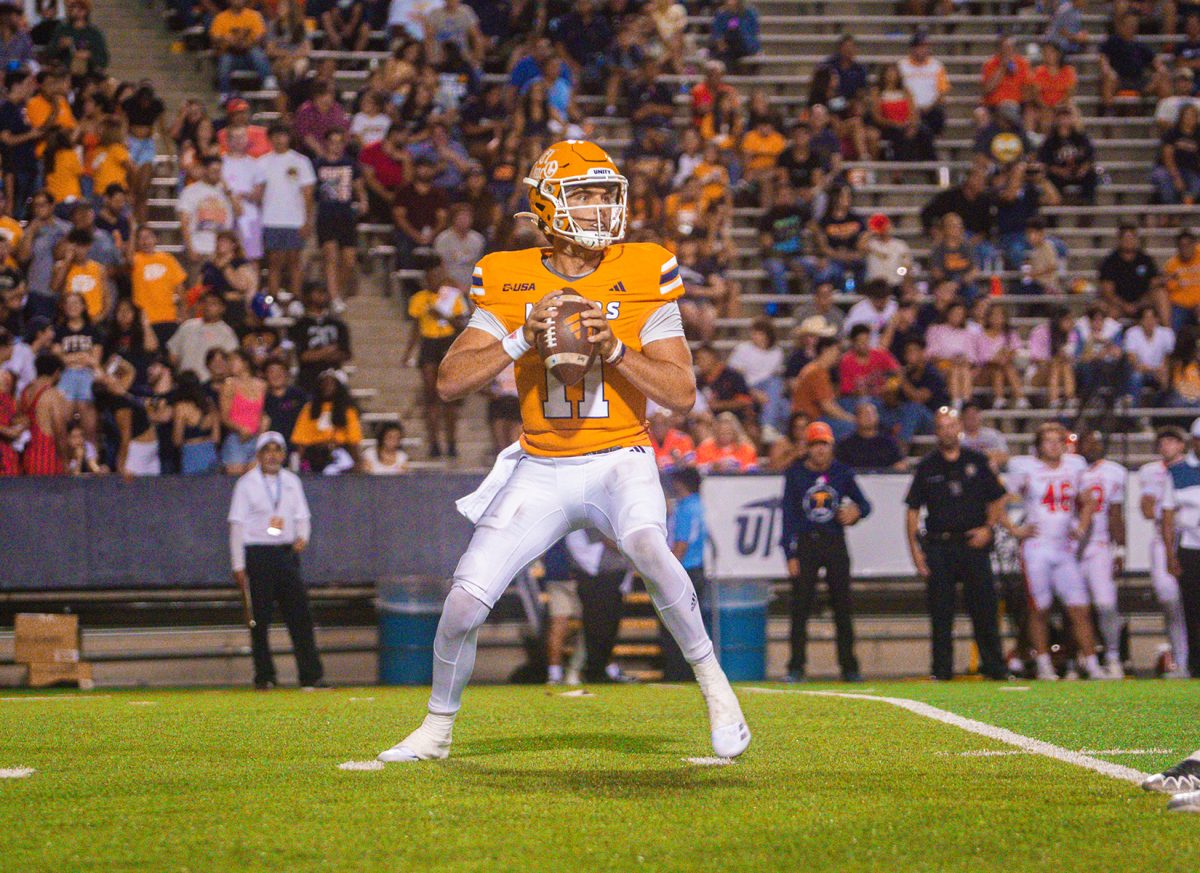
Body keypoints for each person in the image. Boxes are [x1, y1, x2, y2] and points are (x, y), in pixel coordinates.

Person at [376, 139, 749, 764]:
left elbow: (682, 393)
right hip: (540, 465)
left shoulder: (643, 267)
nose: (603, 207)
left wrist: (618, 351)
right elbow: (450, 379)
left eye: (608, 193)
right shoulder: (507, 275)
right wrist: (522, 336)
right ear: (547, 206)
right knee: (465, 602)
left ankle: (716, 689)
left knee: (648, 544)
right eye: (587, 195)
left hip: (619, 457)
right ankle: (437, 729)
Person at [905, 408, 1008, 681]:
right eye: (942, 426)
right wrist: (915, 552)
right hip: (940, 546)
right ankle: (941, 670)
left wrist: (988, 528)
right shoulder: (927, 467)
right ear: (936, 432)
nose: (947, 431)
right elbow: (912, 510)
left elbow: (998, 497)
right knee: (940, 611)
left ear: (959, 428)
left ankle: (995, 668)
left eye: (951, 425)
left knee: (984, 608)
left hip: (973, 544)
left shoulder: (976, 460)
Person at [1002, 423, 1103, 680]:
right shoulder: (1025, 468)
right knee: (1040, 608)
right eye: (1048, 441)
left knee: (1079, 607)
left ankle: (1092, 663)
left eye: (1058, 440)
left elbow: (1089, 500)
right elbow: (997, 500)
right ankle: (1044, 663)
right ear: (1038, 445)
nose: (1054, 445)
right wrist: (1014, 529)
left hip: (1064, 548)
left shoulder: (1075, 465)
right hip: (1036, 548)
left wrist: (1080, 526)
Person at [228, 431, 324, 690]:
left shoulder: (291, 481)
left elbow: (302, 515)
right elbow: (236, 524)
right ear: (259, 455)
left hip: (285, 553)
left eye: (277, 450)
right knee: (260, 618)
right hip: (258, 554)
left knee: (300, 616)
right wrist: (238, 564)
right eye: (267, 450)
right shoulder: (246, 483)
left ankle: (311, 675)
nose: (272, 455)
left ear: (283, 454)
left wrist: (302, 536)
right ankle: (265, 676)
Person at [780, 421, 869, 682]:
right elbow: (788, 516)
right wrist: (790, 554)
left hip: (834, 542)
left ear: (831, 447)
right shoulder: (795, 474)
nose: (820, 451)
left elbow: (864, 504)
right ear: (807, 448)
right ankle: (796, 666)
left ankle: (849, 667)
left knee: (843, 606)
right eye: (815, 445)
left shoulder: (843, 473)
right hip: (807, 544)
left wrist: (855, 512)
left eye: (824, 445)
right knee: (800, 608)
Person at [1138, 426, 1192, 677]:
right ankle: (1180, 660)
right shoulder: (1151, 471)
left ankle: (1188, 660)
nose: (1166, 446)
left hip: (1190, 537)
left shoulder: (1190, 469)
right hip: (1164, 538)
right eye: (1162, 442)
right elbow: (1147, 508)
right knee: (1169, 598)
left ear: (1182, 444)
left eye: (1171, 441)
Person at [1077, 431, 1129, 679]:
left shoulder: (1114, 471)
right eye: (1088, 441)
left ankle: (1112, 655)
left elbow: (1115, 513)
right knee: (1075, 608)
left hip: (1099, 544)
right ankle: (1077, 659)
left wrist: (1120, 548)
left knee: (1105, 603)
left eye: (1096, 441)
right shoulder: (1070, 468)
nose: (1092, 446)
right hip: (1069, 547)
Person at [408, 269, 467, 457]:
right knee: (431, 396)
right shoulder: (419, 298)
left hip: (447, 341)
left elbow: (461, 324)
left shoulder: (451, 297)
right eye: (430, 277)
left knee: (449, 398)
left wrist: (442, 315)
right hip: (428, 342)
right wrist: (408, 352)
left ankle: (451, 441)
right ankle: (434, 442)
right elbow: (415, 327)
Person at [254, 125, 316, 301]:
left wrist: (307, 221)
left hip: (294, 220)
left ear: (289, 138)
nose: (279, 140)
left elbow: (308, 194)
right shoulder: (261, 162)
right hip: (270, 219)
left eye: (283, 135)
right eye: (275, 136)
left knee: (294, 262)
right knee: (274, 263)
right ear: (270, 138)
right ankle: (273, 300)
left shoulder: (301, 161)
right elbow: (258, 192)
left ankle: (296, 300)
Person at [1160, 418, 1200, 679]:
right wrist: (1170, 554)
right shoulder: (1177, 472)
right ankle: (1196, 665)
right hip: (1191, 548)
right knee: (1193, 610)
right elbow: (1168, 516)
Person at [661, 466, 708, 681]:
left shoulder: (686, 508)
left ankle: (677, 672)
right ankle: (690, 671)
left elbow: (681, 544)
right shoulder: (697, 505)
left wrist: (665, 569)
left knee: (676, 625)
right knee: (692, 624)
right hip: (697, 568)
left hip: (685, 570)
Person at [290, 367, 362, 474]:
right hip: (314, 454)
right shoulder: (309, 409)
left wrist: (357, 463)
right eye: (324, 383)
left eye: (331, 383)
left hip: (340, 453)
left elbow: (353, 441)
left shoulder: (348, 410)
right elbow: (301, 440)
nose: (327, 386)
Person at [19, 352, 68, 474]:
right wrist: (65, 461)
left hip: (27, 458)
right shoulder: (52, 395)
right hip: (48, 459)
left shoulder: (25, 392)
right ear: (57, 373)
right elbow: (59, 430)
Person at [835, 400, 905, 470]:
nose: (869, 417)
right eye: (865, 414)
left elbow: (899, 463)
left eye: (872, 414)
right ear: (856, 418)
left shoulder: (889, 443)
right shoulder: (845, 444)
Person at [959, 401, 1008, 470]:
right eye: (968, 414)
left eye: (975, 413)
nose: (972, 417)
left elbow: (1004, 456)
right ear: (962, 417)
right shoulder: (957, 437)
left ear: (980, 415)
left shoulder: (993, 435)